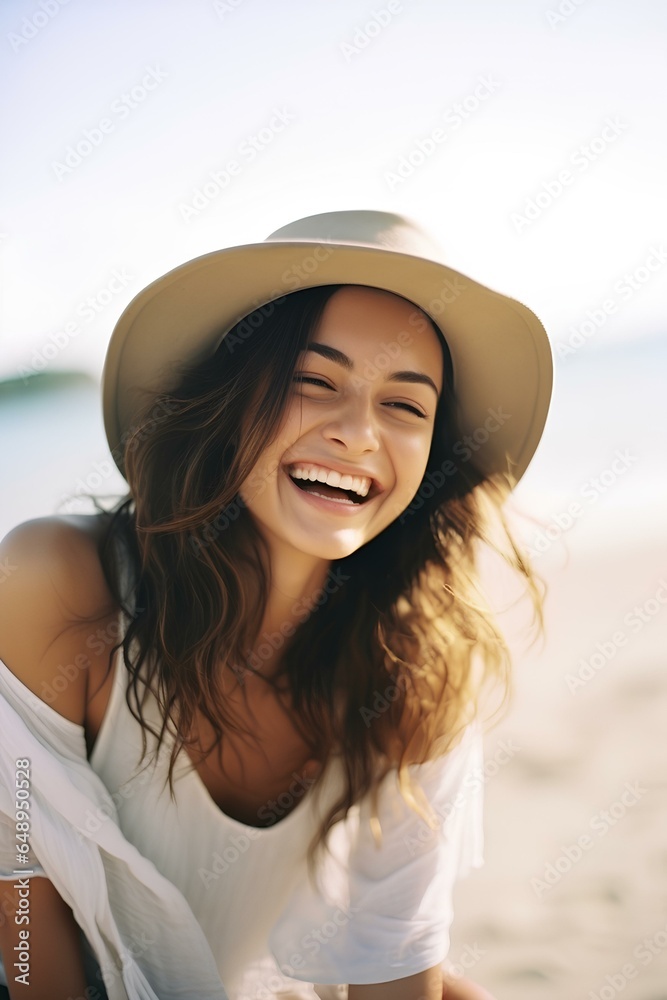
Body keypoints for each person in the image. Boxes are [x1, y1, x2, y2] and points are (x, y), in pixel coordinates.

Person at [0, 210, 552, 999]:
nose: (360, 434)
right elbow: (18, 882)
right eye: (315, 382)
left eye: (405, 406)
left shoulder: (421, 667)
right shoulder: (60, 584)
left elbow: (391, 959)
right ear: (229, 402)